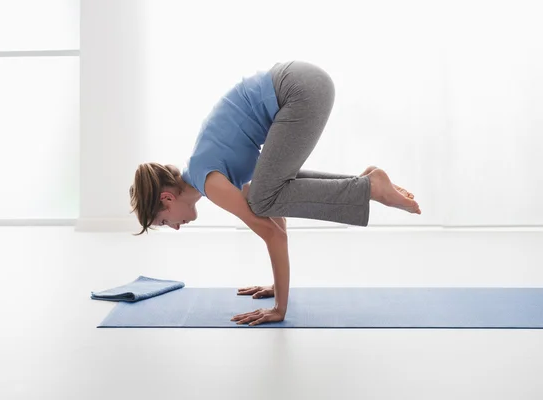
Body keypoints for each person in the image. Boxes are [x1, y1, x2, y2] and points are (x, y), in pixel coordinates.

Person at [129, 61, 421, 326]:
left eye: (166, 222)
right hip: (303, 84)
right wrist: (277, 286)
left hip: (298, 90)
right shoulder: (211, 168)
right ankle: (367, 182)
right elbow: (275, 215)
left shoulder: (209, 180)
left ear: (167, 199)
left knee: (262, 197)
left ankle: (370, 187)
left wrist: (280, 308)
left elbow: (272, 233)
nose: (176, 227)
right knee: (266, 194)